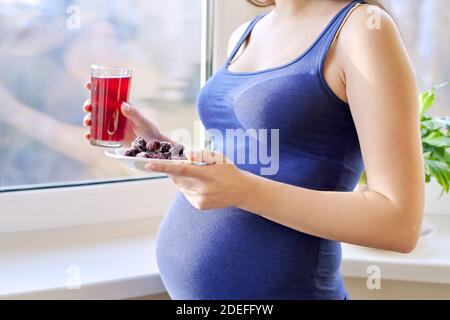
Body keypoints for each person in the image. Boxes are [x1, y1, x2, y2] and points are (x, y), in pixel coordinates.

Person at [83, 0, 424, 299]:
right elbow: (245, 163)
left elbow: (399, 223)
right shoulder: (248, 32)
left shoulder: (363, 30)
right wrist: (158, 148)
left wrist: (244, 192)